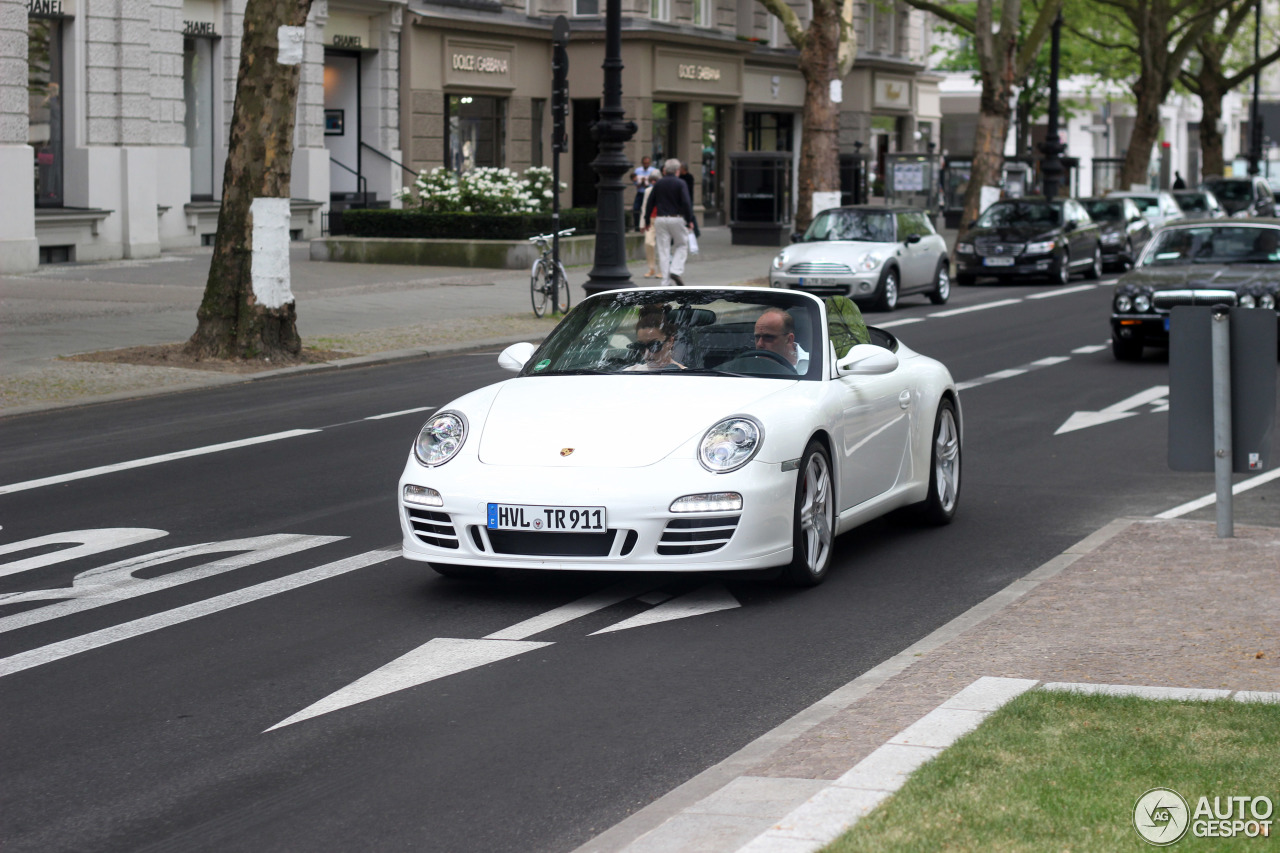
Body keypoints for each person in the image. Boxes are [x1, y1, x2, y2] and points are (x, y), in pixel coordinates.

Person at [641, 159, 696, 286]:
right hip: (676, 218)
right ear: (677, 171)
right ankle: (676, 270)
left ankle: (665, 281)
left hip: (660, 219)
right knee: (681, 245)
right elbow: (687, 203)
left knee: (663, 249)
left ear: (665, 170)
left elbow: (650, 203)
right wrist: (690, 220)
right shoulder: (681, 183)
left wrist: (647, 220)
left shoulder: (659, 183)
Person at [625, 305, 685, 371]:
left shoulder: (688, 377)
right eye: (641, 346)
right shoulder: (629, 373)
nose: (646, 354)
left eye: (654, 346)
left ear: (670, 342)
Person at [754, 307, 808, 373]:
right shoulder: (748, 364)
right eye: (757, 337)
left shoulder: (816, 364)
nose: (759, 344)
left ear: (789, 339)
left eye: (768, 337)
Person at [631, 157, 660, 230]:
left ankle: (648, 224)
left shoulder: (653, 170)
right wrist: (640, 181)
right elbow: (635, 181)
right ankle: (637, 226)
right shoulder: (638, 170)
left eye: (647, 163)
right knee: (636, 209)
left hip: (650, 192)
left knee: (648, 208)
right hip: (641, 192)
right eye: (644, 163)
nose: (646, 164)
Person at [639, 175, 659, 277]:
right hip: (650, 219)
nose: (654, 182)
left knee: (660, 245)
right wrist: (642, 223)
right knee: (648, 243)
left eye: (655, 180)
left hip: (660, 219)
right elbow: (644, 207)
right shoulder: (648, 191)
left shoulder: (662, 189)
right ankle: (651, 268)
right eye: (652, 180)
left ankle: (662, 270)